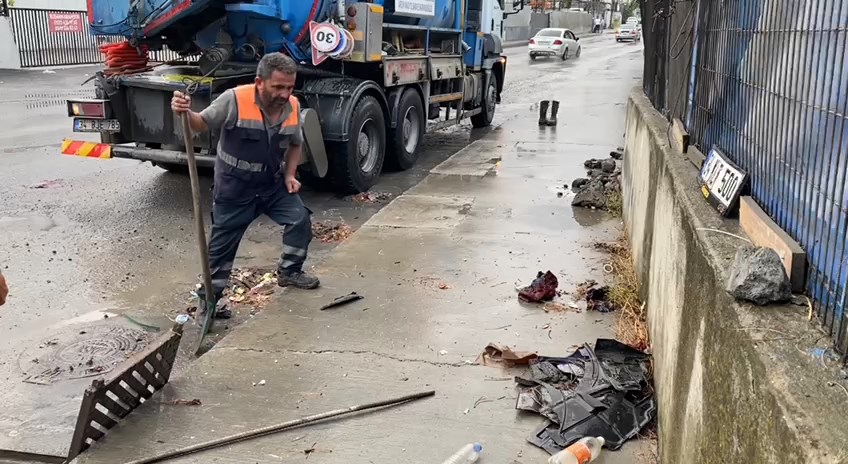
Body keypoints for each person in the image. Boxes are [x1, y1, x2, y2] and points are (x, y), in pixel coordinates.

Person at [171, 53, 320, 319]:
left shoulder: (293, 106)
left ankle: (290, 272)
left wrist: (290, 175)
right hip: (234, 189)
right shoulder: (234, 99)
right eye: (278, 87)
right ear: (259, 82)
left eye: (290, 87)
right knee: (220, 250)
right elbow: (199, 124)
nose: (285, 93)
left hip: (272, 185)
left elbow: (296, 143)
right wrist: (185, 112)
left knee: (299, 219)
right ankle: (210, 302)